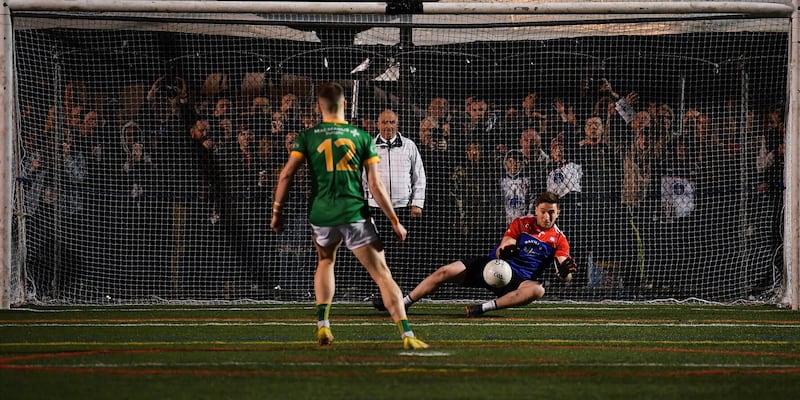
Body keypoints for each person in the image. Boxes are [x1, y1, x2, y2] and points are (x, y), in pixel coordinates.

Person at [271, 82, 428, 350]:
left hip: (322, 213)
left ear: (320, 107)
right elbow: (376, 187)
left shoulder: (308, 136)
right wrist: (394, 221)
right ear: (344, 105)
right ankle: (406, 332)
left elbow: (286, 174)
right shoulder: (362, 137)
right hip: (354, 212)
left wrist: (277, 210)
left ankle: (323, 325)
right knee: (382, 274)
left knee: (325, 262)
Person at [372, 191, 576, 317]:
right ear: (536, 209)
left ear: (558, 213)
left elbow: (564, 273)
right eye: (543, 211)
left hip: (519, 282)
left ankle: (483, 308)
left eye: (551, 212)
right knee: (445, 271)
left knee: (538, 291)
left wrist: (564, 272)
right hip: (492, 266)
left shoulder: (559, 239)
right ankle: (404, 302)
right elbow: (504, 245)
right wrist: (505, 250)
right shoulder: (521, 223)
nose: (546, 216)